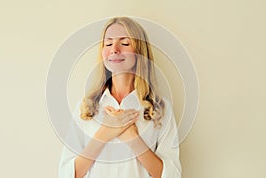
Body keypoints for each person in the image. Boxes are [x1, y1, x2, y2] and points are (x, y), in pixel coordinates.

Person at [59, 17, 181, 178]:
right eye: (108, 44)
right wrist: (105, 132)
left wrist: (132, 137)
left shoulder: (160, 109)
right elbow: (67, 174)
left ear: (140, 51)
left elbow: (171, 175)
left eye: (124, 43)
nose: (114, 49)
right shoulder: (86, 108)